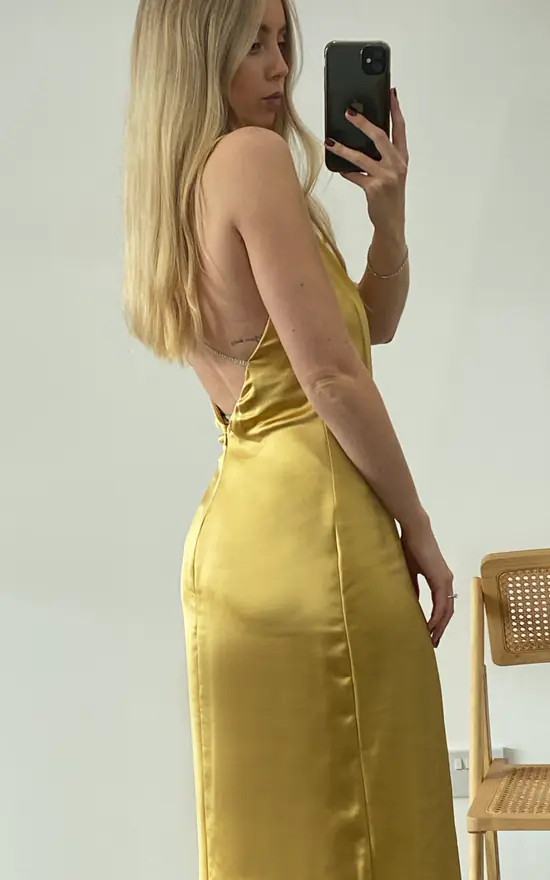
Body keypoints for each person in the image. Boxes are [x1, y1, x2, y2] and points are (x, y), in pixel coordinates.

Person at [123, 0, 462, 877]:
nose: (280, 67)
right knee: (375, 827)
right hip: (320, 542)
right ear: (198, 54)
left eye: (282, 42)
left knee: (274, 840)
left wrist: (389, 220)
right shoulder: (252, 158)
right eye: (253, 45)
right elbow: (334, 380)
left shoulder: (177, 187)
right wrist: (419, 529)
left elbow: (368, 328)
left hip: (235, 551)